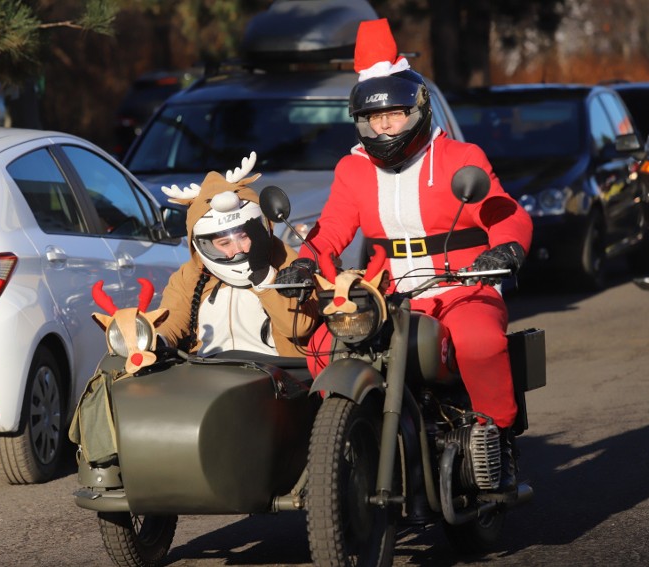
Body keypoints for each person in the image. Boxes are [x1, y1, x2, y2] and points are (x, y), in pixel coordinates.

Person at [276, 19, 533, 500]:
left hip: (462, 283)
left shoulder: (459, 156)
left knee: (479, 341)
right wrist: (306, 260)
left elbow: (505, 211)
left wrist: (506, 247)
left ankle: (494, 440)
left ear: (416, 109)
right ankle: (356, 434)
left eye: (392, 114)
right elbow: (331, 230)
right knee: (321, 347)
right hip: (387, 292)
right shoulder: (353, 169)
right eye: (373, 118)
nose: (383, 126)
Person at [156, 152, 318, 357]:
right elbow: (174, 320)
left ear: (262, 229)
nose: (238, 249)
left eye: (244, 236)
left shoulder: (290, 264)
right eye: (224, 243)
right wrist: (155, 340)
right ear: (202, 244)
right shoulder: (189, 276)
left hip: (274, 374)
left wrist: (263, 274)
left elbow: (299, 327)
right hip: (206, 372)